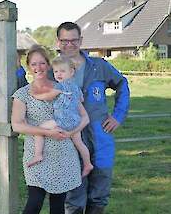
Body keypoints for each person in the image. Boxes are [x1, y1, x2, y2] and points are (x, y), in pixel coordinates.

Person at [55, 22, 130, 214]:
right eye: (64, 41)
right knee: (74, 193)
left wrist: (117, 116)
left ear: (81, 41)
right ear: (58, 42)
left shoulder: (98, 66)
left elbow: (122, 84)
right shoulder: (52, 70)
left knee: (100, 189)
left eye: (73, 40)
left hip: (100, 135)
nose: (69, 45)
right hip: (69, 138)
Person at [11, 45, 89, 214]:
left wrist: (70, 132)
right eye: (33, 64)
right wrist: (47, 132)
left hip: (63, 154)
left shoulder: (63, 87)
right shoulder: (22, 94)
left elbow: (84, 117)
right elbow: (17, 124)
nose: (38, 68)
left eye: (42, 63)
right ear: (29, 67)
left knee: (58, 205)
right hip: (37, 155)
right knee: (34, 202)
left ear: (48, 65)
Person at [27, 55, 93, 178]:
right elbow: (81, 99)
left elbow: (48, 96)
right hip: (75, 121)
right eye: (56, 71)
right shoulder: (76, 88)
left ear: (72, 72)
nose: (59, 74)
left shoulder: (60, 86)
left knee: (40, 129)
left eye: (62, 71)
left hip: (61, 120)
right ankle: (88, 163)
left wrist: (36, 96)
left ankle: (38, 154)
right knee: (79, 143)